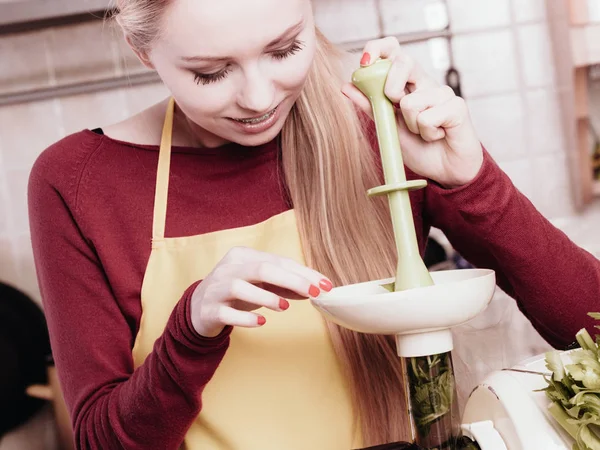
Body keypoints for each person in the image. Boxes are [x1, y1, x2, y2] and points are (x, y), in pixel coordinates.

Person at [27, 0, 600, 448]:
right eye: (210, 72)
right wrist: (191, 331)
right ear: (142, 50)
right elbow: (103, 440)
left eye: (284, 49)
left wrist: (471, 181)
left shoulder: (376, 122)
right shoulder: (77, 183)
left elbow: (592, 331)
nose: (257, 99)